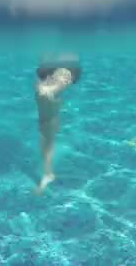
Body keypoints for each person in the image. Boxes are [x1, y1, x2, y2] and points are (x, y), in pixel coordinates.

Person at [33, 53, 82, 195]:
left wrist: (47, 89)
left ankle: (48, 175)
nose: (67, 81)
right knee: (47, 142)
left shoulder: (47, 87)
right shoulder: (46, 84)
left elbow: (47, 91)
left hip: (49, 120)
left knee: (47, 145)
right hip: (50, 117)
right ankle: (48, 173)